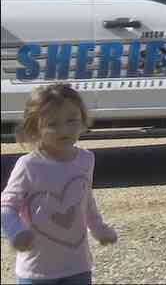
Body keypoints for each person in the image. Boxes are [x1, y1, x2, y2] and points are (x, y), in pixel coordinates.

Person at [1, 83, 118, 285]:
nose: (64, 129)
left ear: (82, 119)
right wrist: (16, 232)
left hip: (77, 266)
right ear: (34, 127)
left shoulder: (85, 159)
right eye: (53, 124)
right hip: (37, 271)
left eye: (72, 120)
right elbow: (7, 205)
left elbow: (86, 200)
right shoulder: (29, 165)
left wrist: (99, 228)